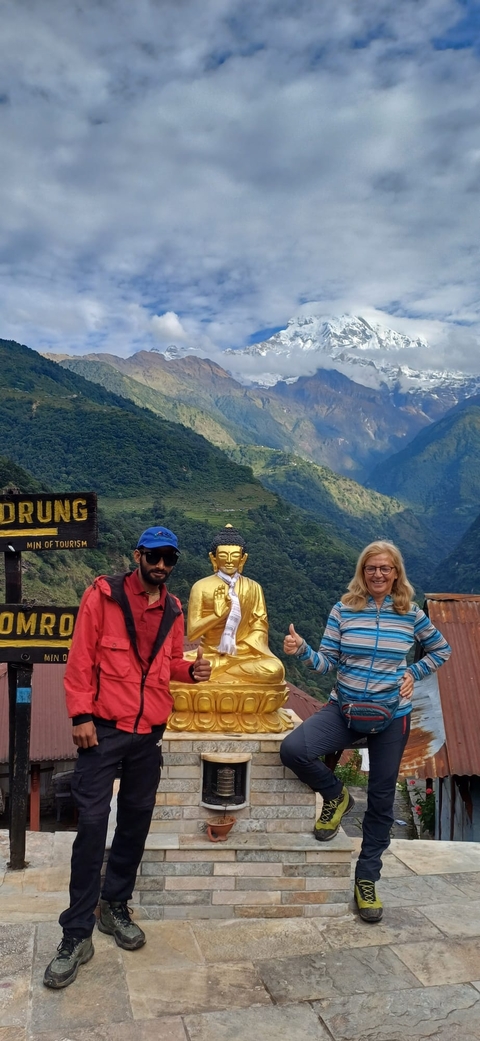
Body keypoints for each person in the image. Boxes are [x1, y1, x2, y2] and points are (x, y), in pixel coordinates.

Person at [43, 525, 211, 989]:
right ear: (138, 555)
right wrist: (80, 715)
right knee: (93, 827)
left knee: (135, 821)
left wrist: (190, 671)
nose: (161, 565)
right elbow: (81, 658)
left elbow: (167, 663)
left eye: (169, 559)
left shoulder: (173, 609)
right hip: (103, 729)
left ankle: (114, 905)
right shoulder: (103, 597)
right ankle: (76, 934)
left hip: (148, 733)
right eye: (154, 556)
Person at [281, 540, 451, 923]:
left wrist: (413, 672)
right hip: (344, 709)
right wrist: (302, 649)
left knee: (381, 799)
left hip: (392, 716)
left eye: (385, 568)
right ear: (362, 572)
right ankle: (336, 795)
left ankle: (367, 878)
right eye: (371, 568)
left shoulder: (410, 614)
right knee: (294, 749)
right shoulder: (343, 610)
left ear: (395, 573)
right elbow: (327, 662)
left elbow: (441, 650)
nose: (378, 574)